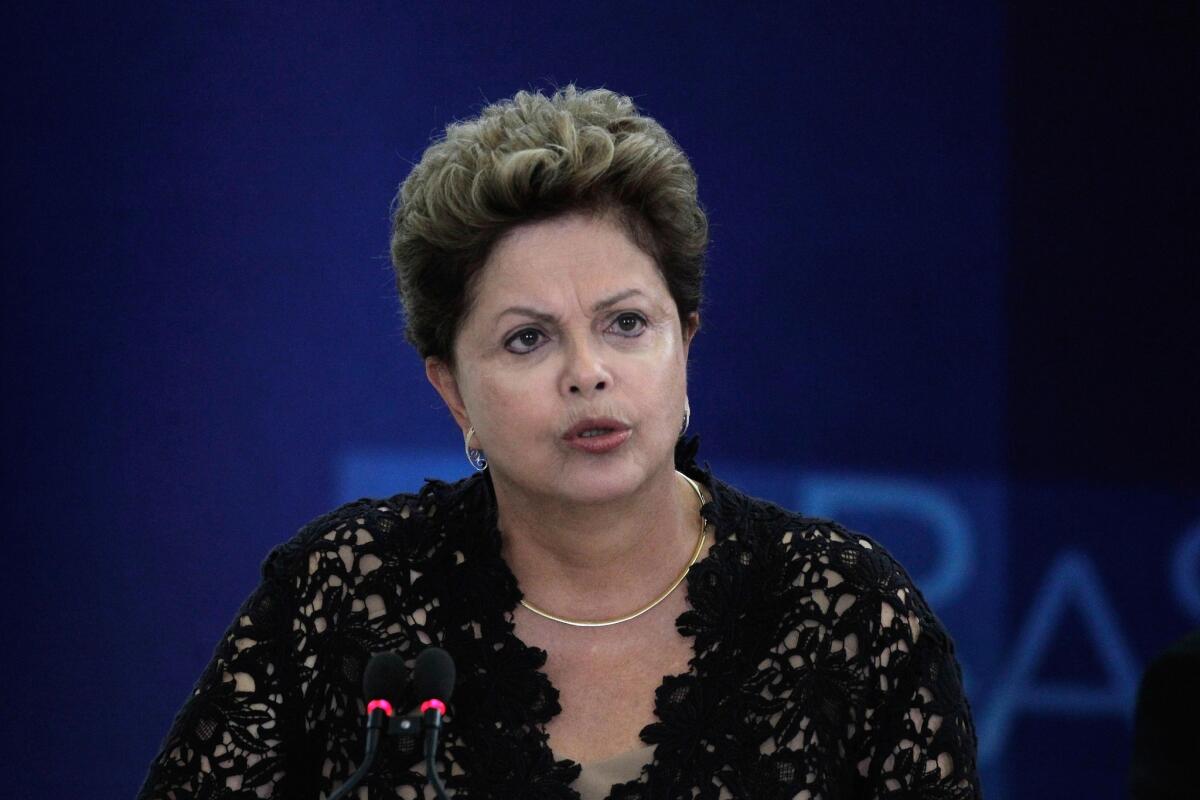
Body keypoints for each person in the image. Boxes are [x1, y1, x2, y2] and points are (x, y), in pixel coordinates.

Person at [139, 86, 981, 799]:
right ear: (449, 387)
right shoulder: (342, 597)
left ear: (684, 342)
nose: (588, 373)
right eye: (527, 340)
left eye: (625, 324)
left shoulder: (847, 611)